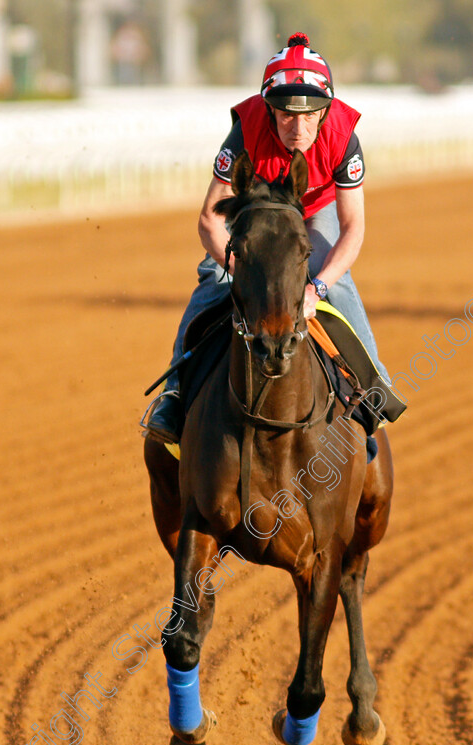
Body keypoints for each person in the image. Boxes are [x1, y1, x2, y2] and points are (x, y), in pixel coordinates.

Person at [145, 32, 389, 445]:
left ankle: (372, 388)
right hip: (258, 208)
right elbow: (209, 219)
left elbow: (353, 229)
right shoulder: (244, 132)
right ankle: (174, 393)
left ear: (325, 111)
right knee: (213, 280)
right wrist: (237, 268)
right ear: (269, 109)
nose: (298, 127)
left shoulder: (344, 137)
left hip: (317, 210)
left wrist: (319, 287)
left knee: (338, 280)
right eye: (287, 116)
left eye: (310, 115)